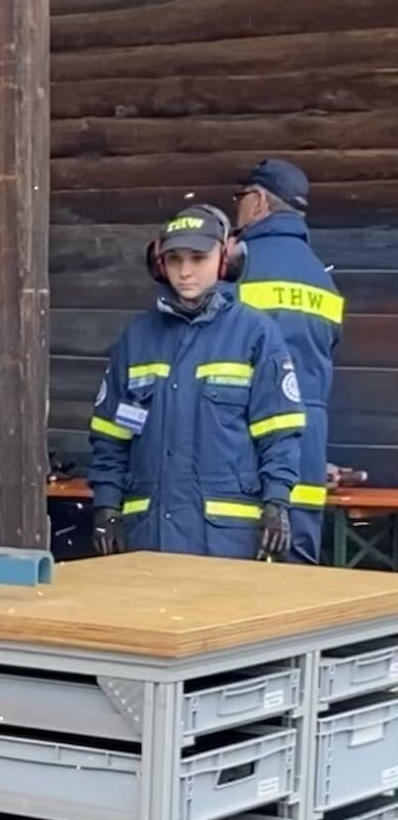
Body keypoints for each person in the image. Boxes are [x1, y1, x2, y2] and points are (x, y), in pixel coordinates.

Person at [89, 204, 305, 561]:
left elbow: (279, 432)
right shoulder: (137, 339)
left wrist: (277, 501)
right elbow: (112, 437)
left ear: (226, 260)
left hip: (225, 543)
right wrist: (106, 507)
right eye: (174, 260)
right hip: (148, 537)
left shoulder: (255, 334)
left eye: (198, 258)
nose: (185, 272)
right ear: (159, 264)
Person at [232, 158, 344, 564]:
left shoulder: (237, 267)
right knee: (296, 576)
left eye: (240, 198)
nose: (237, 206)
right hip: (308, 449)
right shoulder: (320, 276)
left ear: (258, 202)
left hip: (245, 447)